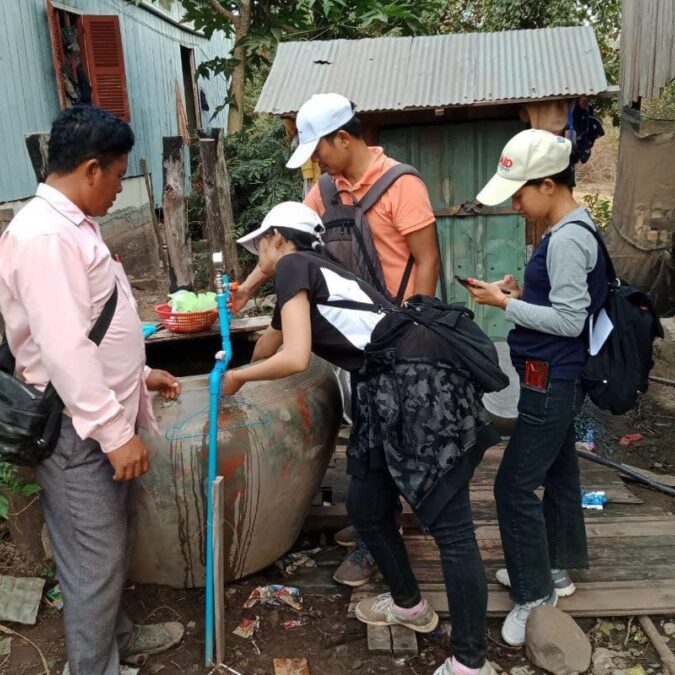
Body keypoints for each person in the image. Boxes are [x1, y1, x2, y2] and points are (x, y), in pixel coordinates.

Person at [223, 202, 500, 675]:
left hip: (419, 385)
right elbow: (271, 342)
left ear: (277, 239)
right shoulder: (313, 271)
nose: (259, 259)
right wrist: (234, 362)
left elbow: (292, 358)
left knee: (451, 529)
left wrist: (235, 380)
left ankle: (470, 662)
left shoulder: (294, 266)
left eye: (260, 246)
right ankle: (410, 605)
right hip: (385, 386)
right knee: (368, 508)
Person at [0, 106, 185, 675]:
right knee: (91, 559)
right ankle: (94, 666)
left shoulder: (71, 225)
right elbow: (64, 349)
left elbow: (95, 326)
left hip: (96, 420)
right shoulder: (45, 236)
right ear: (93, 169)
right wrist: (114, 432)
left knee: (106, 547)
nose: (119, 190)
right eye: (120, 177)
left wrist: (137, 374)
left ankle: (114, 637)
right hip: (81, 432)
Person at [230, 92, 441, 587]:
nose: (315, 162)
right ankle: (374, 522)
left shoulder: (402, 186)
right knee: (366, 436)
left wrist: (418, 326)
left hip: (398, 336)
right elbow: (286, 241)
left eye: (318, 149)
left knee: (383, 441)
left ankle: (376, 542)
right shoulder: (327, 189)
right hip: (359, 337)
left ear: (343, 137)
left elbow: (428, 261)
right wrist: (245, 291)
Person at [463, 129, 608, 646]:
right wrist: (523, 292)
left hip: (554, 380)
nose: (517, 204)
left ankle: (532, 594)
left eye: (520, 193)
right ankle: (555, 570)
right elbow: (565, 302)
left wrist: (504, 305)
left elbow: (570, 321)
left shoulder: (567, 237)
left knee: (513, 486)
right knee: (561, 471)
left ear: (548, 185)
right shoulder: (568, 226)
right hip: (554, 378)